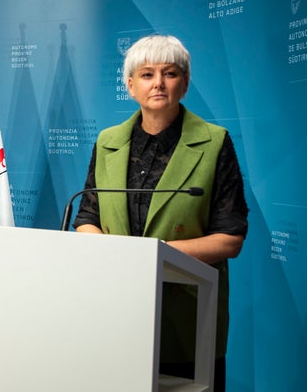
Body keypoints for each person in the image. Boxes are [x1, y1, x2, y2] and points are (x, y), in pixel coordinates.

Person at [73, 35, 248, 391]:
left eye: (169, 73)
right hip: (115, 311)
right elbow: (87, 218)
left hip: (187, 317)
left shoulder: (215, 142)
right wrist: (118, 256)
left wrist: (155, 256)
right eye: (147, 74)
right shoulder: (107, 142)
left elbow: (230, 238)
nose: (158, 83)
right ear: (130, 85)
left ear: (184, 83)